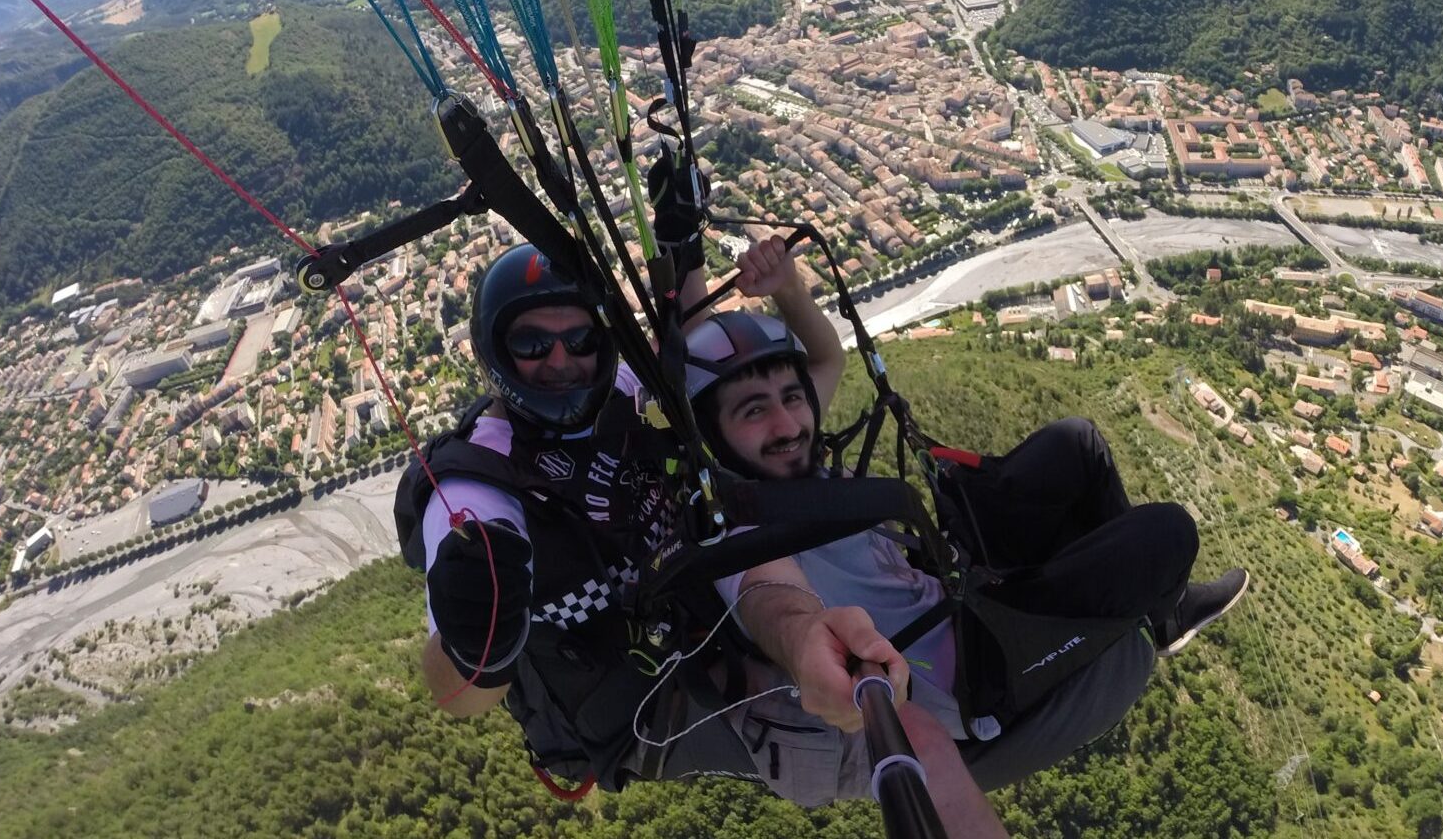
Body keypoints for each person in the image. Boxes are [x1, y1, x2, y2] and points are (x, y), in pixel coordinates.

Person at [393, 235, 1008, 835]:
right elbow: (458, 697)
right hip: (648, 695)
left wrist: (679, 242)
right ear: (497, 353)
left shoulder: (613, 392)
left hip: (702, 599)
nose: (559, 361)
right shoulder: (479, 490)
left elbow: (683, 349)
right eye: (532, 343)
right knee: (915, 734)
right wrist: (476, 645)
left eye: (578, 339)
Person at [684, 240, 1251, 798]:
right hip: (976, 672)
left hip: (960, 585)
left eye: (791, 396)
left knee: (1076, 443)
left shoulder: (790, 460)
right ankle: (1147, 607)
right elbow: (769, 598)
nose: (787, 424)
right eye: (753, 410)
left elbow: (826, 358)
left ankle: (1159, 608)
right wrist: (804, 638)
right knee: (1168, 533)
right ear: (711, 438)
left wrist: (785, 286)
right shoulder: (740, 529)